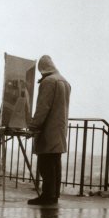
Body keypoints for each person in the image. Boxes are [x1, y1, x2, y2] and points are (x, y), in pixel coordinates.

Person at [27, 55, 71, 205]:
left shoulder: (48, 82)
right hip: (59, 130)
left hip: (48, 131)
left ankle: (47, 195)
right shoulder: (64, 81)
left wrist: (32, 126)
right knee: (55, 164)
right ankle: (54, 195)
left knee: (45, 164)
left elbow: (42, 108)